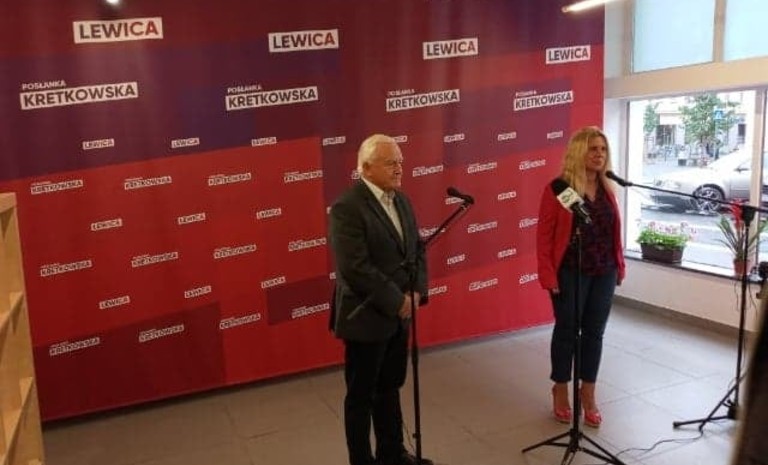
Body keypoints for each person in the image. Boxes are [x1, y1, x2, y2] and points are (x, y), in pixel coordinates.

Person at [328, 134, 430, 465]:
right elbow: (355, 268)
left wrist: (416, 292)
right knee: (361, 396)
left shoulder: (401, 200)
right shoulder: (347, 207)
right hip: (366, 317)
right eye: (390, 163)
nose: (399, 168)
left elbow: (418, 250)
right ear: (366, 168)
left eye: (400, 162)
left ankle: (392, 453)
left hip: (400, 316)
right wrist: (396, 300)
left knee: (390, 387)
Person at [536, 126, 626, 428]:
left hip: (604, 271)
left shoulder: (608, 189)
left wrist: (619, 266)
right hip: (570, 272)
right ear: (578, 152)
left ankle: (588, 392)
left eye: (603, 149)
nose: (599, 154)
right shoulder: (560, 189)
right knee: (566, 331)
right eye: (593, 149)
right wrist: (548, 275)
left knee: (594, 334)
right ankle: (560, 388)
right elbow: (545, 236)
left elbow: (613, 233)